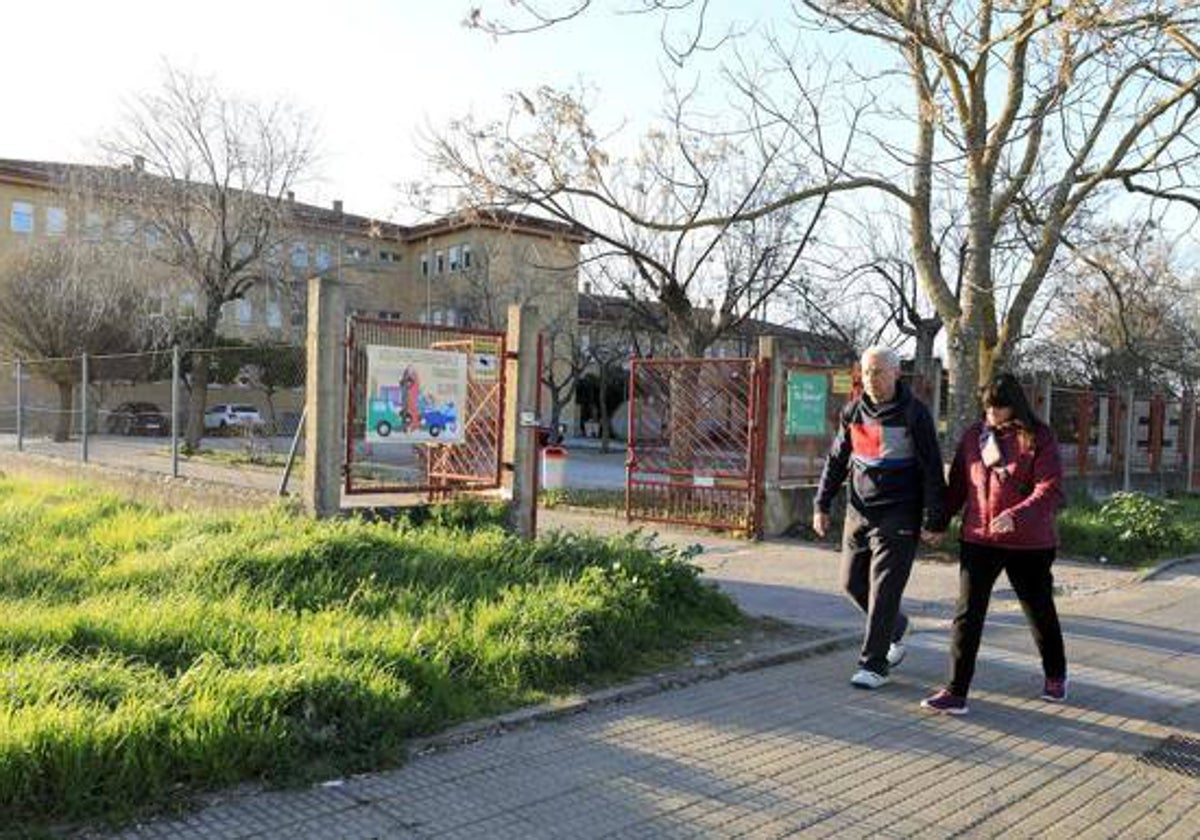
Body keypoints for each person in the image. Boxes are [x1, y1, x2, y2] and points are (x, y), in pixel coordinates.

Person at [921, 373, 1067, 715]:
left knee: (1039, 610)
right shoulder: (975, 437)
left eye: (997, 408)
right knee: (967, 614)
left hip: (1029, 542)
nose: (991, 415)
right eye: (986, 408)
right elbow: (958, 485)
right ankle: (956, 691)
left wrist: (1016, 515)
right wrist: (938, 523)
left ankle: (1056, 674)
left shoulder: (1039, 437)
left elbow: (1050, 489)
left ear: (1014, 405)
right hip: (979, 537)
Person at [814, 347, 948, 690]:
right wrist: (822, 504)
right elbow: (836, 460)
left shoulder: (915, 414)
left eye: (879, 372)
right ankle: (896, 627)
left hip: (900, 512)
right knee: (851, 584)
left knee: (884, 590)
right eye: (867, 372)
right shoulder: (853, 411)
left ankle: (873, 665)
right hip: (858, 512)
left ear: (896, 373)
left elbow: (933, 467)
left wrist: (936, 518)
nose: (871, 379)